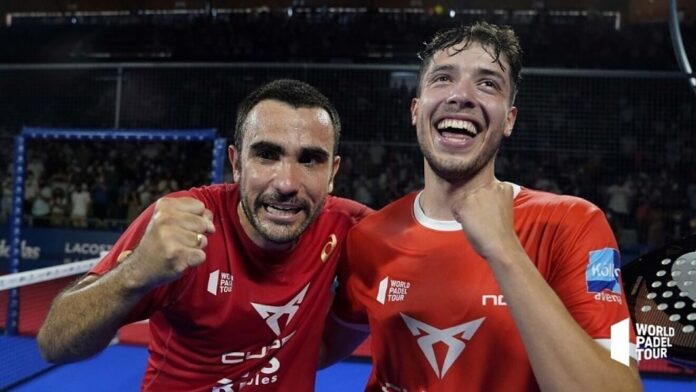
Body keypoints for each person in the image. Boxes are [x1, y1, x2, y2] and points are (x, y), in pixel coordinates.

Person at [323, 22, 642, 391]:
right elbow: (306, 347)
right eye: (442, 78)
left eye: (488, 83)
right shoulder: (368, 238)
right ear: (415, 110)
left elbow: (623, 384)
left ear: (509, 119)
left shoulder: (576, 224)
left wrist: (504, 250)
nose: (461, 96)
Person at [38, 79, 371, 391]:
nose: (286, 183)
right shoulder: (185, 221)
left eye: (310, 159)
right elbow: (55, 344)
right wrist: (134, 274)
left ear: (332, 173)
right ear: (237, 163)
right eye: (267, 155)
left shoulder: (349, 227)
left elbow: (322, 349)